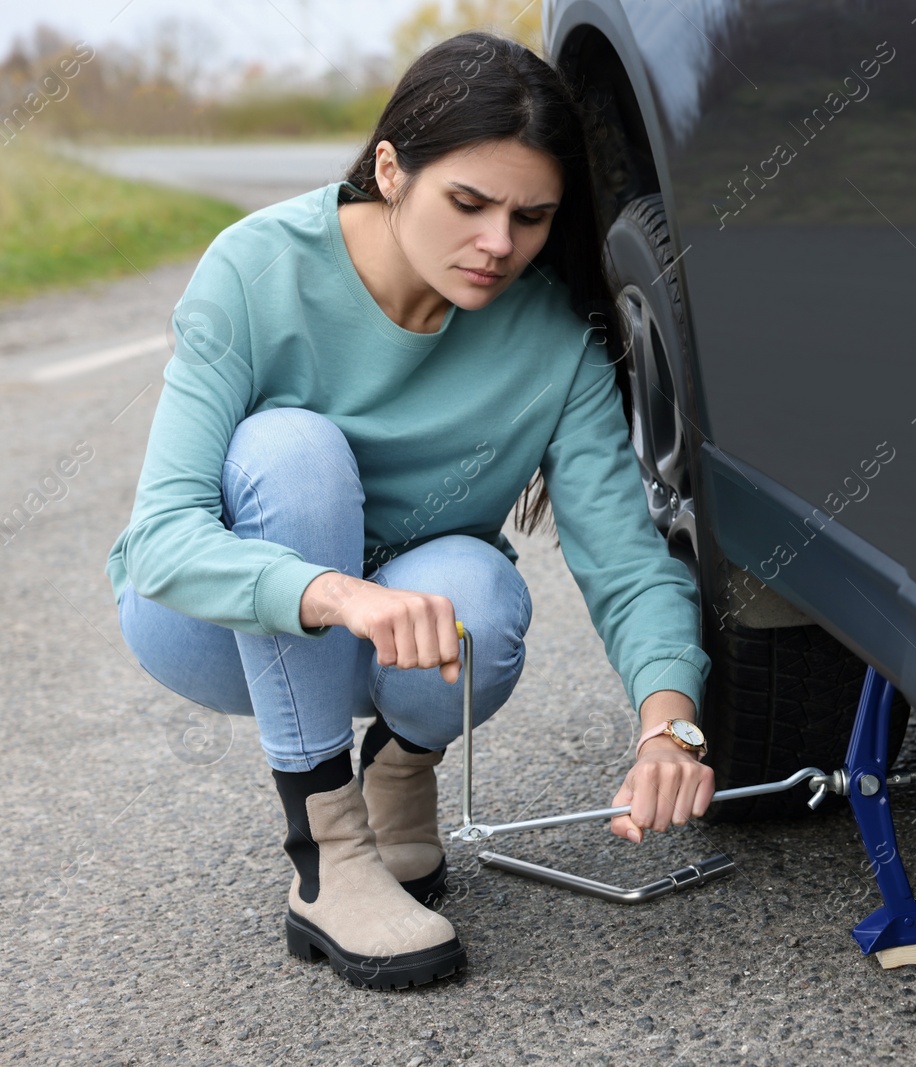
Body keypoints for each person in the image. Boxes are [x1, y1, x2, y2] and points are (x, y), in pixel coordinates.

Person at [105, 31, 716, 990]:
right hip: (209, 624)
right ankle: (326, 849)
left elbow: (628, 563)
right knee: (291, 449)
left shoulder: (555, 341)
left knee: (478, 588)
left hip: (403, 644)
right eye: (467, 204)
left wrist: (668, 725)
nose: (498, 246)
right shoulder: (257, 268)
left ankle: (399, 770)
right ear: (391, 169)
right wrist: (339, 594)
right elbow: (164, 542)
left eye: (532, 217)